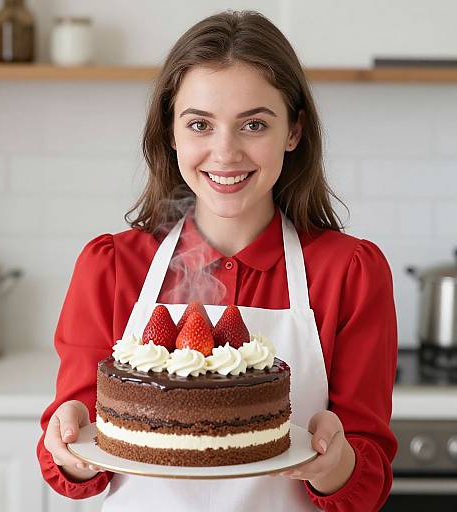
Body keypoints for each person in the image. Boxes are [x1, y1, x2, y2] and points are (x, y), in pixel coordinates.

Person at [37, 9, 397, 512]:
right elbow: (73, 458)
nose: (225, 153)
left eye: (254, 124)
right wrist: (70, 446)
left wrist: (335, 464)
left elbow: (368, 475)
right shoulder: (112, 266)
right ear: (171, 133)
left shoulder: (350, 272)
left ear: (293, 131)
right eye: (200, 124)